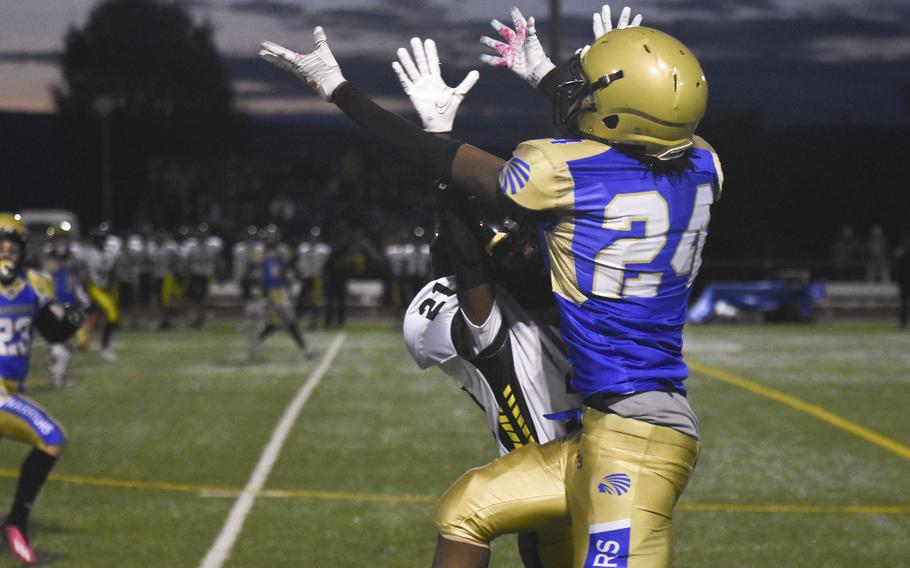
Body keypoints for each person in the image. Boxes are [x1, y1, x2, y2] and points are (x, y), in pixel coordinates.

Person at [259, 3, 719, 565]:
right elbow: (629, 133)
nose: (576, 94)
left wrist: (338, 89)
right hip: (611, 428)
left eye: (589, 91)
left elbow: (436, 157)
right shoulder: (705, 166)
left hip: (635, 443)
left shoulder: (559, 172)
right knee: (467, 507)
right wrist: (555, 78)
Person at [0, 213, 84, 564]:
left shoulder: (36, 283)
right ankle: (16, 525)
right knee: (51, 437)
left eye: (11, 246)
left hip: (10, 390)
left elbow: (53, 331)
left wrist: (70, 319)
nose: (6, 252)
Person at [247, 225, 316, 359]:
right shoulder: (259, 252)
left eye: (273, 237)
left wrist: (291, 284)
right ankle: (305, 350)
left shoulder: (282, 250)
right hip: (269, 291)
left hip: (281, 291)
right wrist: (258, 289)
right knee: (289, 321)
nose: (272, 240)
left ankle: (255, 342)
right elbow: (253, 271)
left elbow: (287, 269)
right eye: (269, 238)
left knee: (277, 323)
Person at [41, 224, 90, 388]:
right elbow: (43, 283)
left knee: (76, 342)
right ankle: (57, 378)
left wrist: (81, 295)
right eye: (58, 239)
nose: (61, 242)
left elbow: (75, 282)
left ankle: (56, 371)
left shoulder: (73, 259)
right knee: (59, 345)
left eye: (63, 238)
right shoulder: (47, 260)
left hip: (71, 305)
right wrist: (49, 303)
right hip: (54, 306)